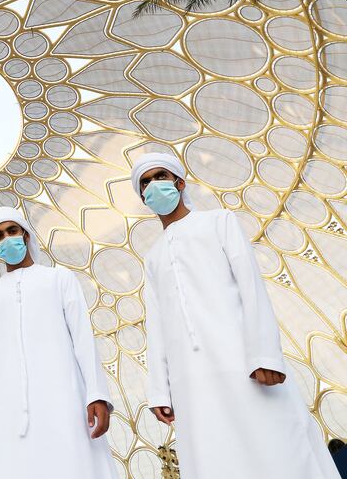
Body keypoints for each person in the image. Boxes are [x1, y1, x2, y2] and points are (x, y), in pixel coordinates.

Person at [132, 152, 340, 479]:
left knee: (277, 443)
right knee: (214, 457)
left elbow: (251, 288)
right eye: (145, 182)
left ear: (179, 183)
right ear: (143, 197)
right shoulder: (153, 257)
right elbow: (155, 326)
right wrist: (159, 389)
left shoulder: (219, 221)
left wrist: (265, 355)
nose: (153, 186)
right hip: (191, 379)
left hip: (243, 360)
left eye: (160, 177)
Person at [0, 206, 117, 479]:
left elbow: (83, 339)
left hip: (64, 397)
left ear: (26, 235)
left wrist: (97, 395)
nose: (6, 238)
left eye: (12, 231)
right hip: (11, 405)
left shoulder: (58, 278)